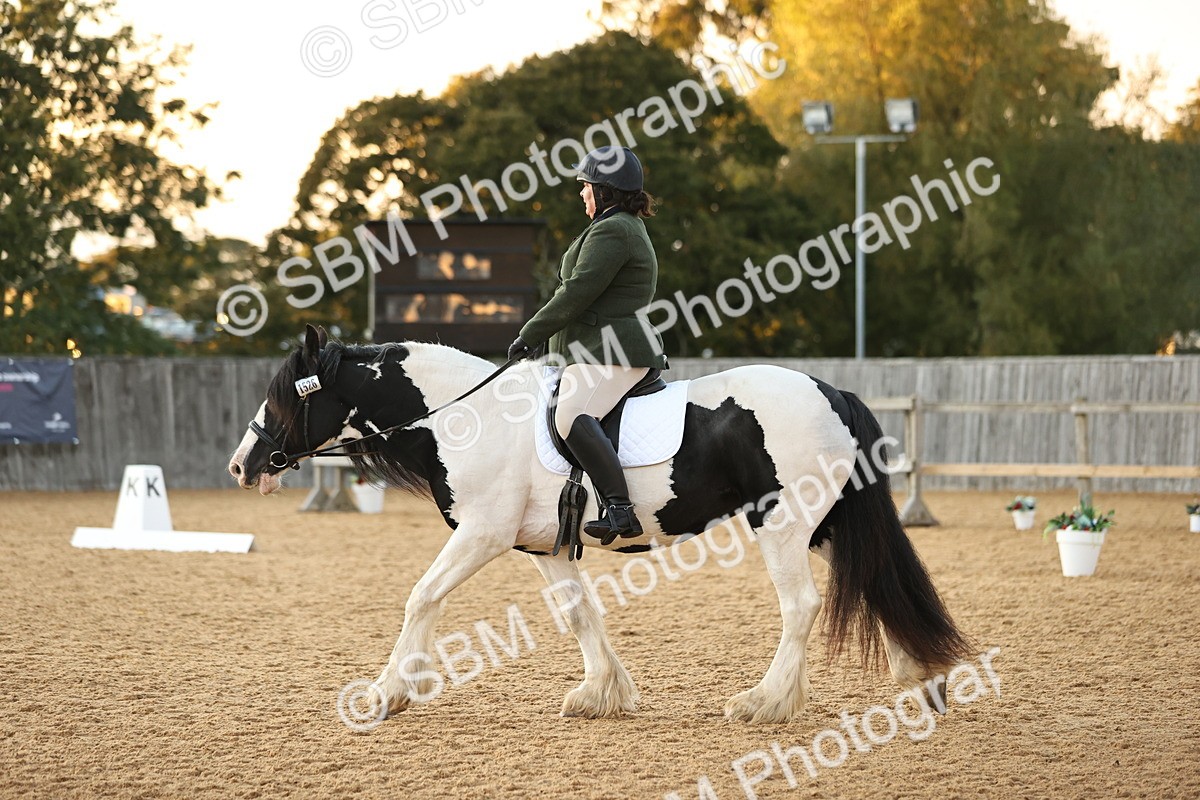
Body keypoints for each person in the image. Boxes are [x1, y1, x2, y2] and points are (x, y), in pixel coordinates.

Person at [507, 145, 668, 542]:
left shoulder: (615, 230)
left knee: (570, 414)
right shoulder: (612, 225)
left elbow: (577, 291)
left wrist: (531, 334)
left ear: (606, 191)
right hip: (597, 349)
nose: (582, 193)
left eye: (586, 186)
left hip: (615, 349)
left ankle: (620, 509)